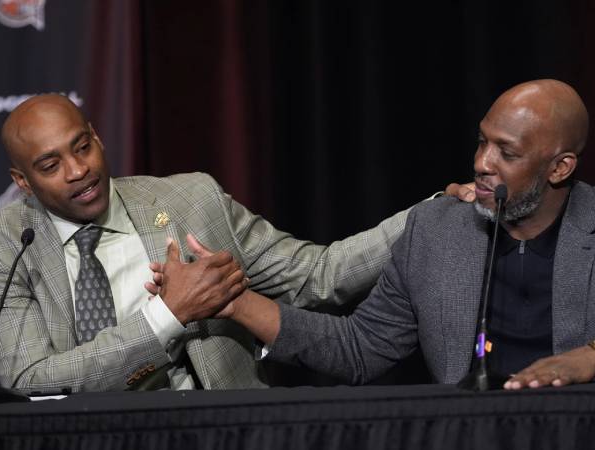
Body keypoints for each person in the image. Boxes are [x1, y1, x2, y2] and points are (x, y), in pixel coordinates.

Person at [0, 94, 467, 392]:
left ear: (97, 137)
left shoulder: (190, 200)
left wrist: (429, 214)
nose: (79, 171)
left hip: (215, 429)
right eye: (50, 165)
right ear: (23, 181)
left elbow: (318, 275)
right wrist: (167, 315)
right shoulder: (8, 240)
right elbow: (27, 376)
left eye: (82, 147)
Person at [216, 79, 595, 390]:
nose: (481, 163)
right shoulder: (436, 231)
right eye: (482, 142)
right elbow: (360, 349)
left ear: (560, 168)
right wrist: (236, 303)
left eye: (507, 153)